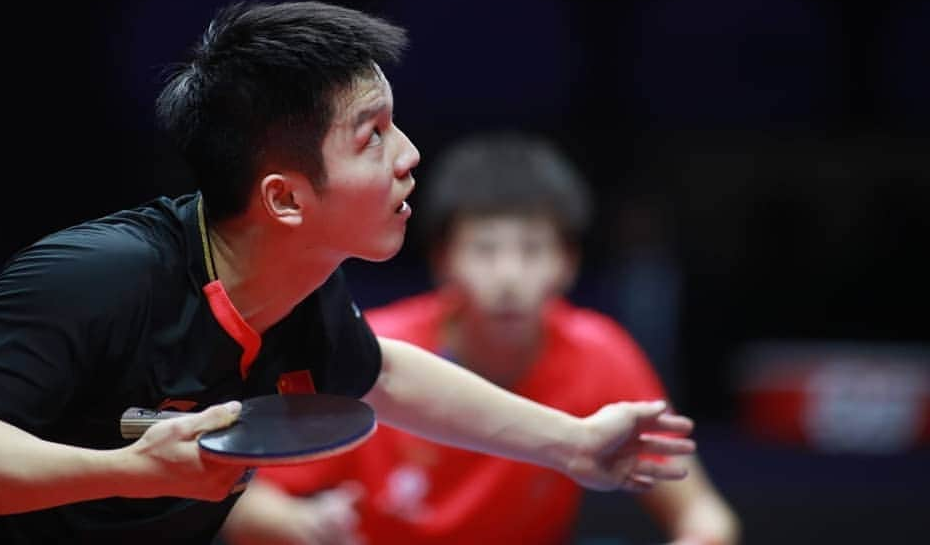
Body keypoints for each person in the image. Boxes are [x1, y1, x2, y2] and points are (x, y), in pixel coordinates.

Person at [0, 1, 696, 544]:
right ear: (286, 198)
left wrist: (574, 442)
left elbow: (381, 374)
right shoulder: (101, 274)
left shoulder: (300, 291)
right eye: (372, 137)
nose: (411, 157)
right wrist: (129, 468)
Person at [222, 131, 739, 545]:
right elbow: (242, 503)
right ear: (444, 259)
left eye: (533, 250)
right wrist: (301, 525)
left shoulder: (601, 352)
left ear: (569, 263)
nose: (510, 275)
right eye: (486, 250)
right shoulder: (370, 352)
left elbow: (705, 516)